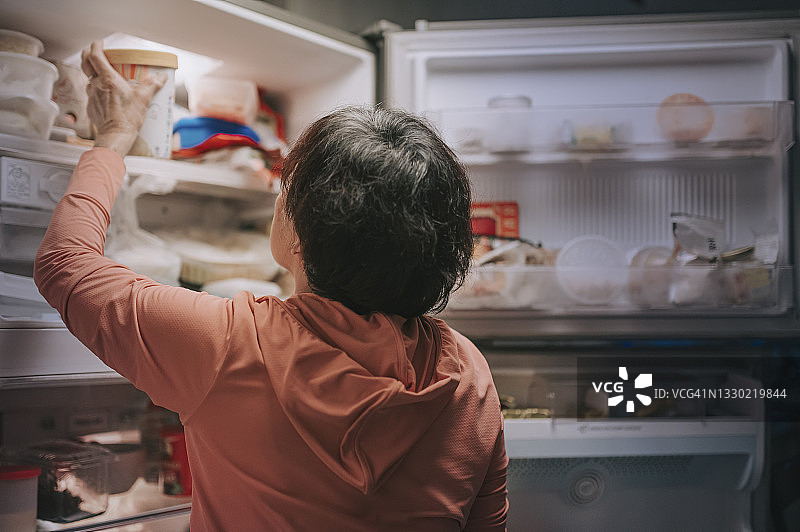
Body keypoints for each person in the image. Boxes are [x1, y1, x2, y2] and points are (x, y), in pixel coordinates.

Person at [34, 40, 508, 531]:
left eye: (288, 188)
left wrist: (112, 137)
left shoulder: (229, 345)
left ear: (298, 235)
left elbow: (63, 264)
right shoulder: (469, 375)